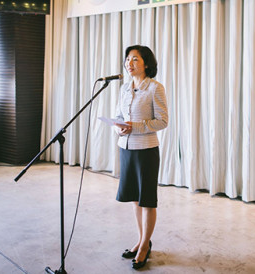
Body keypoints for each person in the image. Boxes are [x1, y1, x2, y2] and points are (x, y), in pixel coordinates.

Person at [114, 45, 168, 269]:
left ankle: (145, 245)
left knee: (146, 199)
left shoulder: (155, 88)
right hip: (126, 148)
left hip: (146, 150)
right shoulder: (125, 88)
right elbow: (118, 116)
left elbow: (163, 121)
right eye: (128, 59)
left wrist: (134, 126)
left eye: (135, 59)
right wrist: (118, 128)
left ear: (146, 63)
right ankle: (140, 240)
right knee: (135, 198)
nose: (129, 63)